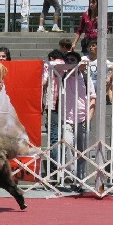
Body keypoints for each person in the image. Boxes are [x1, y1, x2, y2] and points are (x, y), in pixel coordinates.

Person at [60, 51, 96, 190]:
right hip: (67, 119)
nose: (70, 62)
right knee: (68, 144)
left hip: (82, 118)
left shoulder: (86, 78)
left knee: (82, 150)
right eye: (67, 60)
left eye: (73, 60)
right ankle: (72, 174)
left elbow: (93, 97)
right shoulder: (61, 76)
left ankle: (80, 179)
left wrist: (90, 115)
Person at [42, 49, 64, 177]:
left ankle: (55, 169)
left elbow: (43, 82)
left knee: (54, 138)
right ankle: (64, 168)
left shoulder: (48, 65)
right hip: (68, 106)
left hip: (53, 105)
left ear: (51, 57)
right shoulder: (68, 66)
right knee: (64, 138)